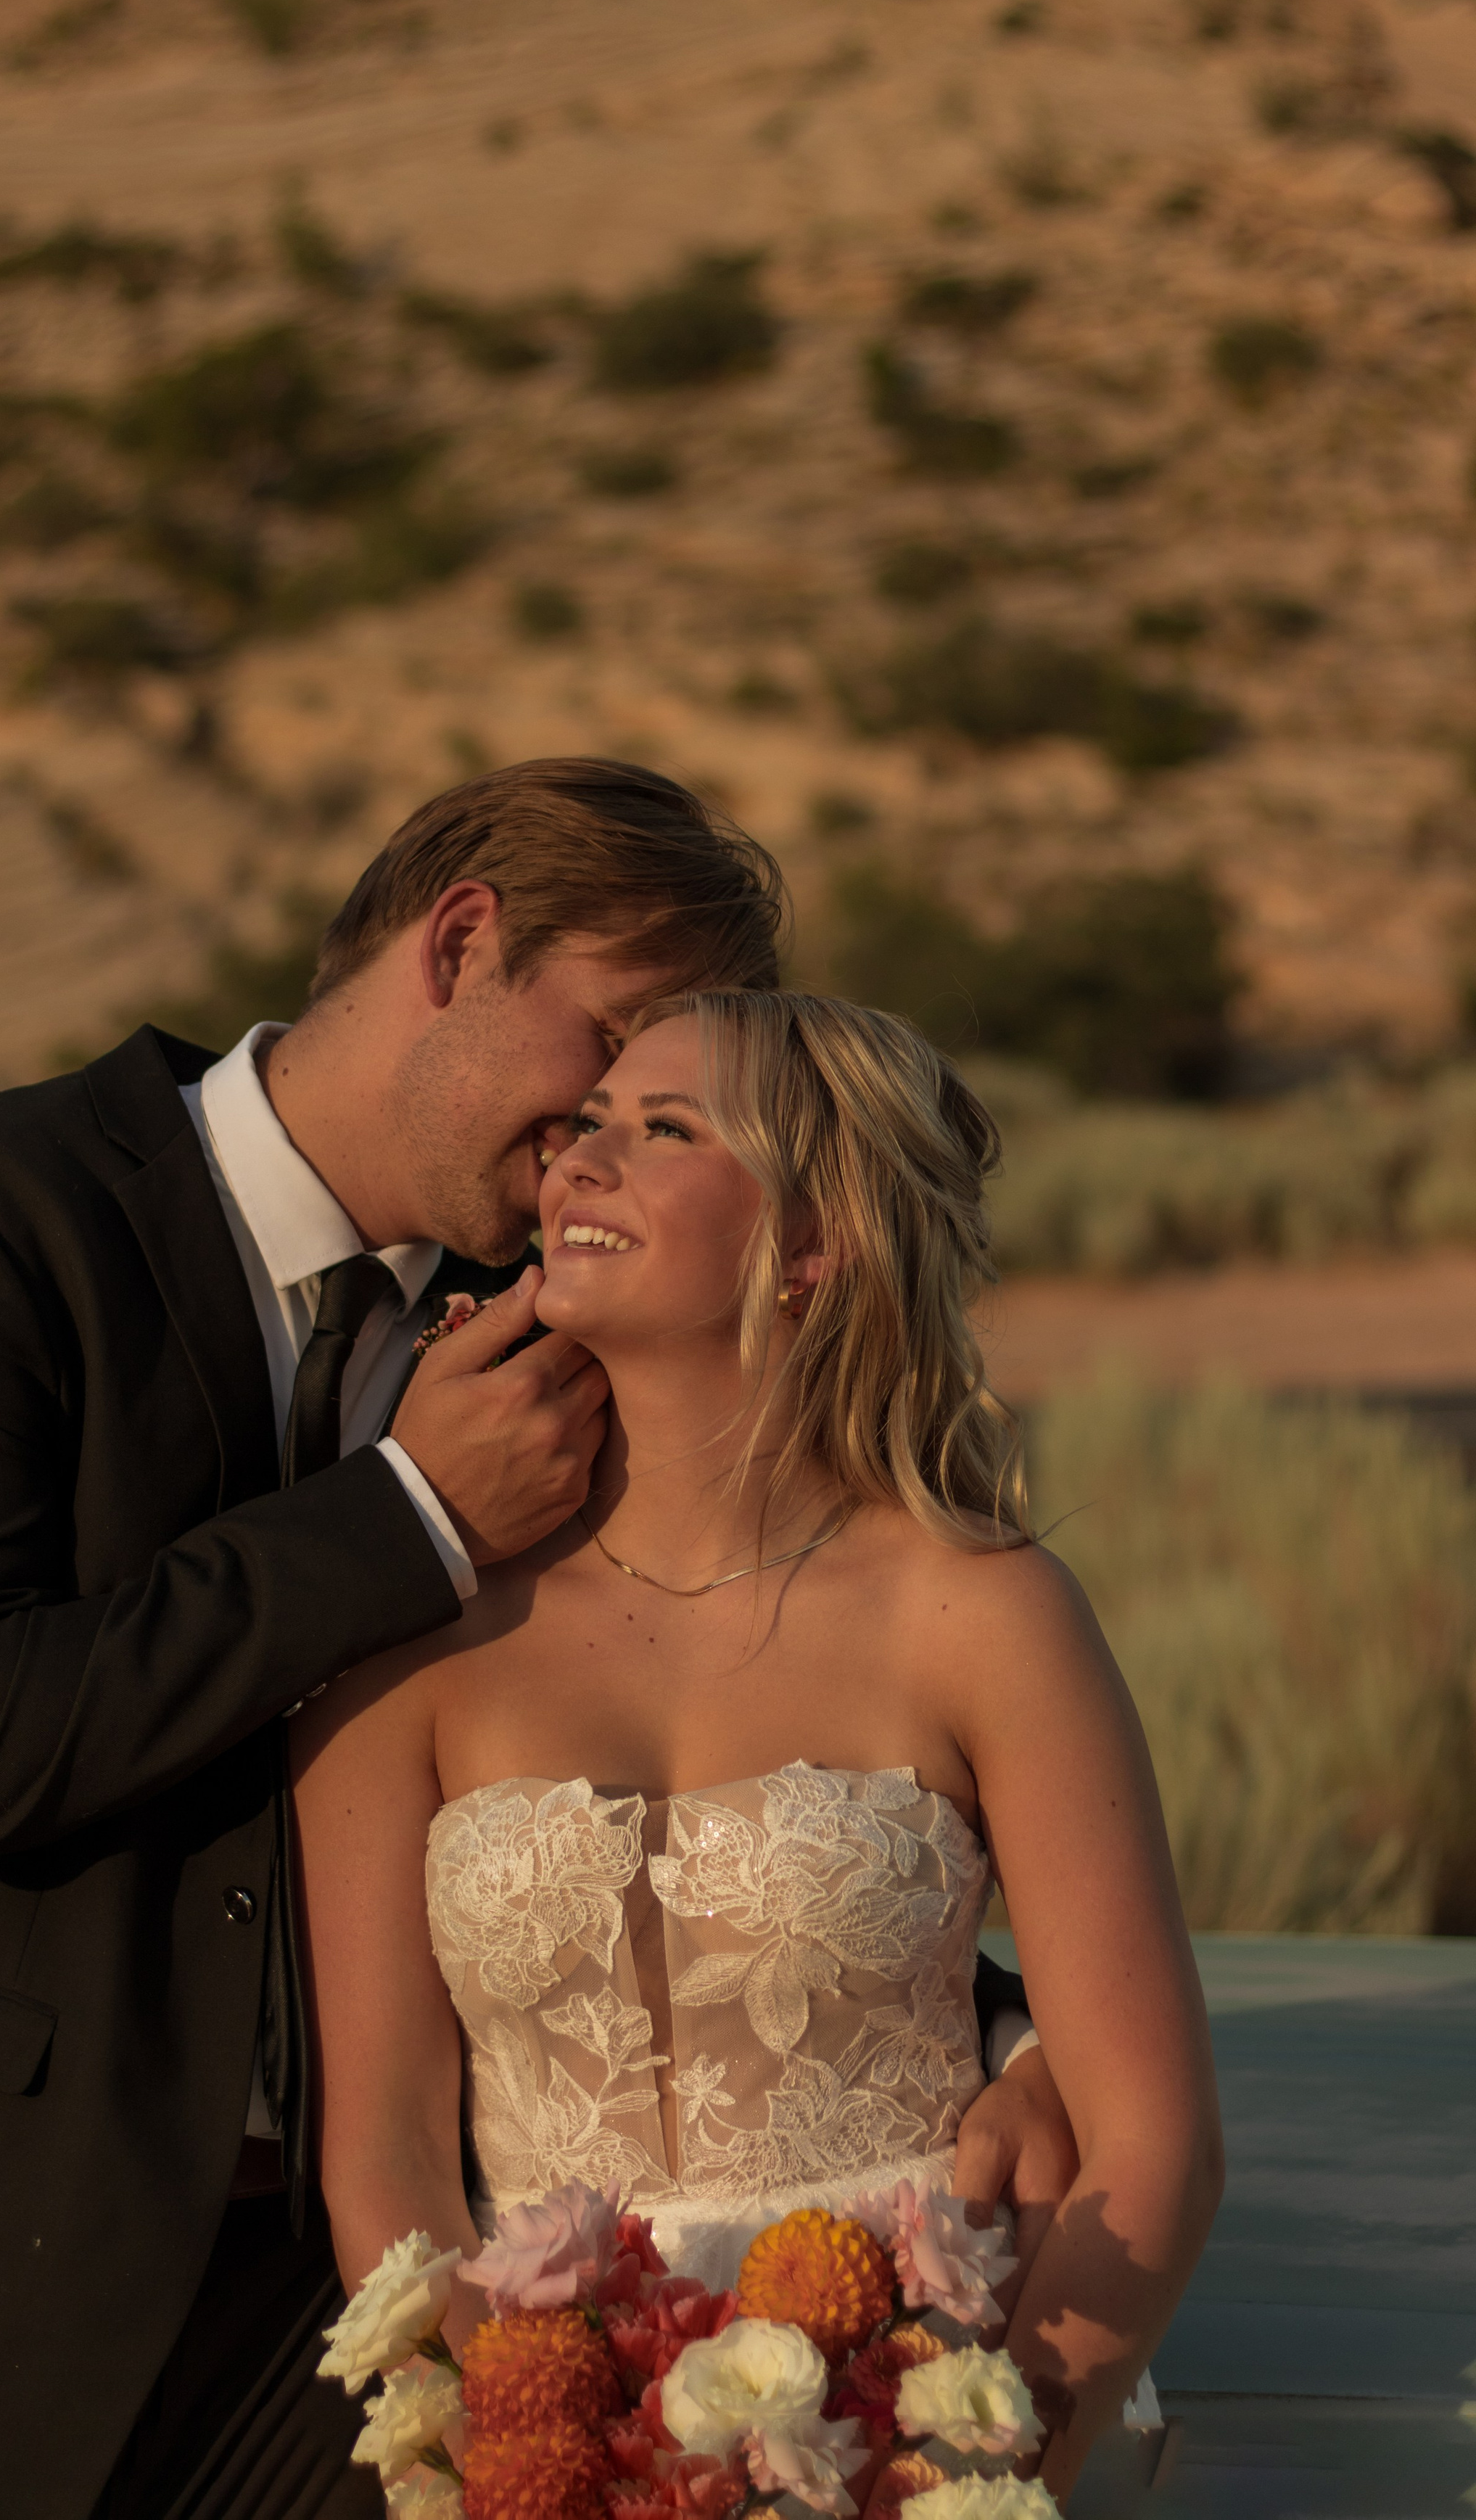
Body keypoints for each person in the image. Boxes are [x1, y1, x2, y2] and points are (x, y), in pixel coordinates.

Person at [0, 762, 1071, 2520]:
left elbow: (695, 1729)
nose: (592, 1141)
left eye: (653, 1101)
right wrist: (403, 1515)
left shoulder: (550, 1308)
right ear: (460, 942)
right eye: (604, 1041)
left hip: (361, 2334)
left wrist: (997, 2031)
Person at [294, 990, 1224, 2505]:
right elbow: (386, 2155)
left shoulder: (980, 1614)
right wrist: (527, 2462)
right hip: (542, 2450)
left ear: (809, 1245)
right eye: (587, 1122)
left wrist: (973, 2465)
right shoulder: (407, 1630)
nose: (583, 1157)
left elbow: (1150, 2135)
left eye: (662, 1130)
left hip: (935, 2410)